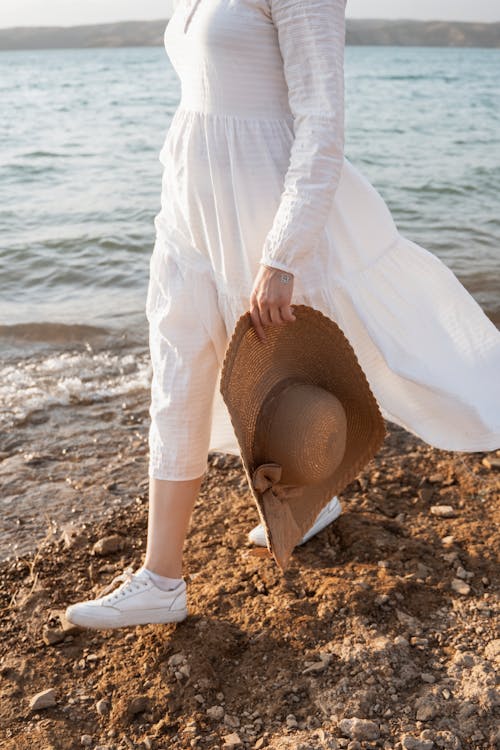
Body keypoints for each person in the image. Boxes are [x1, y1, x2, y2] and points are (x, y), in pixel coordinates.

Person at [65, 0, 500, 630]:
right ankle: (162, 578)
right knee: (177, 372)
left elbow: (322, 123)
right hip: (192, 213)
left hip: (265, 210)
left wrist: (283, 255)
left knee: (284, 374)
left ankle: (302, 502)